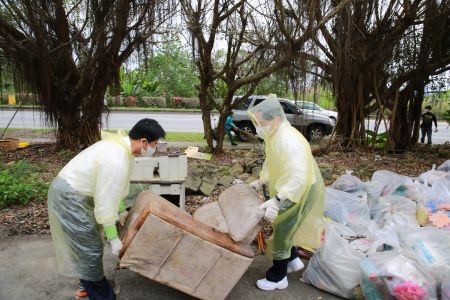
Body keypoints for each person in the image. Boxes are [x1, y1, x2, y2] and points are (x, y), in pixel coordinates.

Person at [47, 118, 165, 300]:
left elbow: (114, 188)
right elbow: (105, 201)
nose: (154, 150)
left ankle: (86, 283)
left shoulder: (122, 148)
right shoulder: (116, 158)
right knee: (90, 247)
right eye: (154, 145)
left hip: (78, 192)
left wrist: (120, 210)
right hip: (70, 197)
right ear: (143, 142)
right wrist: (114, 239)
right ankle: (101, 295)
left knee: (88, 242)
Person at [247, 95, 325, 291]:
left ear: (275, 119)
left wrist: (277, 200)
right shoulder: (276, 135)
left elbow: (298, 177)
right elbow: (272, 163)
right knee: (285, 226)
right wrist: (261, 180)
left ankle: (277, 278)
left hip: (299, 189)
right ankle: (293, 260)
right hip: (294, 187)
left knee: (281, 230)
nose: (258, 128)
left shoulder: (290, 140)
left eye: (261, 123)